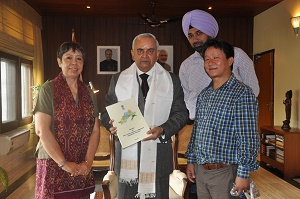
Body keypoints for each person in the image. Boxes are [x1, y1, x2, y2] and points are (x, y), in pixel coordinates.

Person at [101, 33, 187, 199]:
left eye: (150, 51)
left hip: (159, 158)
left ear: (156, 53)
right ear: (132, 53)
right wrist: (109, 123)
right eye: (140, 50)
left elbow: (181, 114)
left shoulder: (171, 80)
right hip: (127, 162)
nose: (144, 55)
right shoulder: (118, 79)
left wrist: (163, 129)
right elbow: (106, 111)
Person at [185, 38, 260, 199]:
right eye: (207, 59)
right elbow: (197, 131)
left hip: (225, 173)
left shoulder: (242, 94)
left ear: (230, 60)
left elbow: (248, 138)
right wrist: (191, 160)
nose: (210, 62)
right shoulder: (204, 95)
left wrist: (243, 173)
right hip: (201, 171)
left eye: (216, 57)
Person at [33, 42, 100, 199]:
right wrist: (63, 163)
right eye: (68, 58)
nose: (74, 63)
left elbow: (95, 130)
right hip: (53, 162)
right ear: (59, 61)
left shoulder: (89, 93)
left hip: (80, 163)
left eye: (79, 59)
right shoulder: (48, 89)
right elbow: (42, 130)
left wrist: (88, 162)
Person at [179, 9, 260, 123]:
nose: (195, 39)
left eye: (199, 33)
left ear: (209, 33)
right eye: (190, 36)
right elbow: (186, 97)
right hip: (200, 125)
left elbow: (253, 90)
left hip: (233, 123)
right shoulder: (186, 66)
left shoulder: (236, 55)